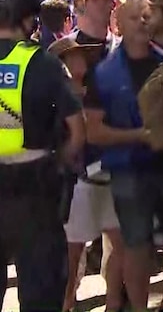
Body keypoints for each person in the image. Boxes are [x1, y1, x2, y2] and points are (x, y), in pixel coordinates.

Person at [0, 0, 86, 312]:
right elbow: (77, 131)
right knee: (40, 294)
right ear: (29, 19)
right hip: (33, 196)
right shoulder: (44, 64)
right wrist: (60, 161)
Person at [83, 0, 163, 312]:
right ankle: (138, 307)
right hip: (128, 171)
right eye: (134, 17)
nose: (142, 22)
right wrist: (140, 136)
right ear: (119, 25)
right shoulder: (103, 72)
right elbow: (93, 131)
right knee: (136, 245)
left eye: (147, 16)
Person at [48, 36, 124, 312]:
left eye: (82, 55)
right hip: (76, 183)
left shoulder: (99, 91)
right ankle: (66, 302)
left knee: (121, 244)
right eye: (73, 55)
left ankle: (114, 303)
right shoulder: (55, 95)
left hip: (107, 176)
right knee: (72, 254)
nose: (80, 60)